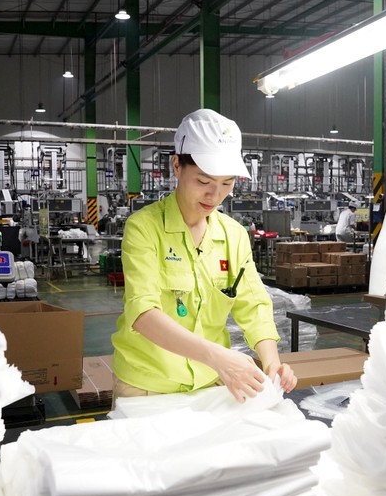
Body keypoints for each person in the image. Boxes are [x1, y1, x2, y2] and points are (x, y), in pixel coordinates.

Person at [111, 108, 297, 406]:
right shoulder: (144, 228)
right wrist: (218, 357)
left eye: (227, 184)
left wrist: (271, 362)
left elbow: (254, 305)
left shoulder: (233, 235)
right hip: (148, 384)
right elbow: (143, 313)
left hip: (209, 382)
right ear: (177, 166)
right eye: (203, 181)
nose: (215, 195)